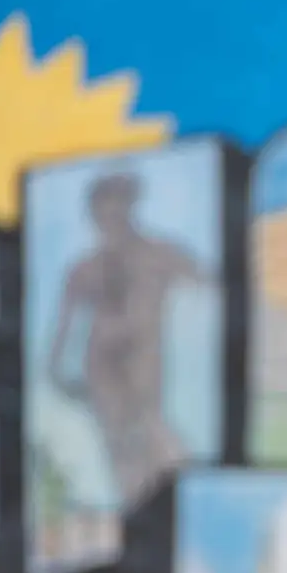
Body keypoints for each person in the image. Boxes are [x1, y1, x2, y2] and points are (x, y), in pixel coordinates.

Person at [48, 170, 200, 508]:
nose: (109, 220)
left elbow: (208, 286)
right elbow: (64, 331)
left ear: (131, 208)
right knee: (121, 447)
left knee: (153, 429)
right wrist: (60, 374)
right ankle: (139, 517)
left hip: (143, 358)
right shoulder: (83, 269)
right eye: (102, 213)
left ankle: (177, 502)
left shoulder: (160, 255)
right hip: (101, 366)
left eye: (118, 209)